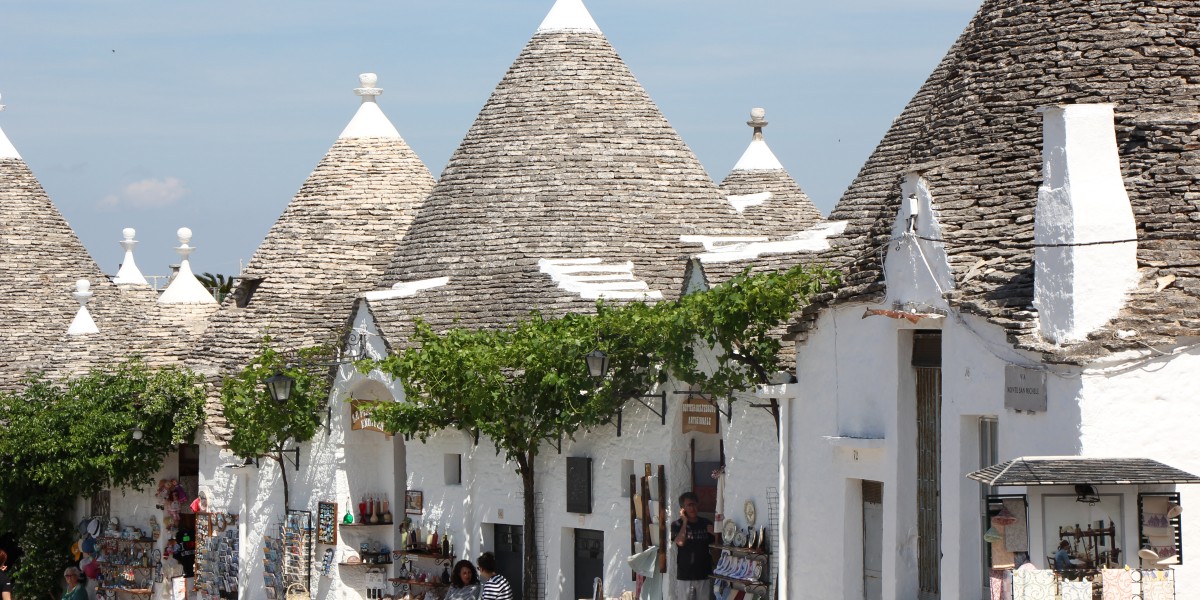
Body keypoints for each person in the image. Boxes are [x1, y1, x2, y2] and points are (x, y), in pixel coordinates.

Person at [670, 491, 714, 600]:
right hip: (685, 575)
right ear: (683, 509)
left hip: (704, 573)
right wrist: (685, 522)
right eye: (689, 505)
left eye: (694, 504)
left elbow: (716, 546)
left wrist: (715, 534)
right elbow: (680, 542)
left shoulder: (706, 523)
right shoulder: (677, 525)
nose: (692, 508)